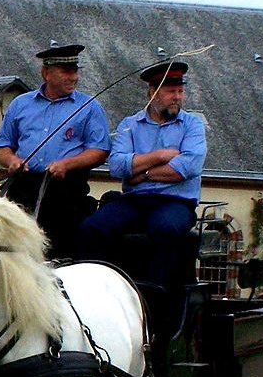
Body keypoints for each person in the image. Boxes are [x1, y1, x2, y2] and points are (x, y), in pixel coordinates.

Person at [76, 60, 207, 296]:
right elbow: (116, 166)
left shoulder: (192, 125)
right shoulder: (130, 125)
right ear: (153, 93)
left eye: (180, 91)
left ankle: (156, 296)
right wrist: (160, 155)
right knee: (91, 227)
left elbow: (186, 167)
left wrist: (141, 173)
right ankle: (95, 293)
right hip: (135, 201)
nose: (177, 97)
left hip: (176, 202)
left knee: (165, 228)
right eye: (170, 91)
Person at [0, 43, 110, 260]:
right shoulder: (21, 104)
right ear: (46, 73)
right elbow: (2, 146)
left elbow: (100, 150)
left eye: (75, 71)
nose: (73, 77)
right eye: (66, 71)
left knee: (60, 250)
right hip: (23, 186)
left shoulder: (90, 106)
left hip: (65, 189)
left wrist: (67, 164)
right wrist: (12, 160)